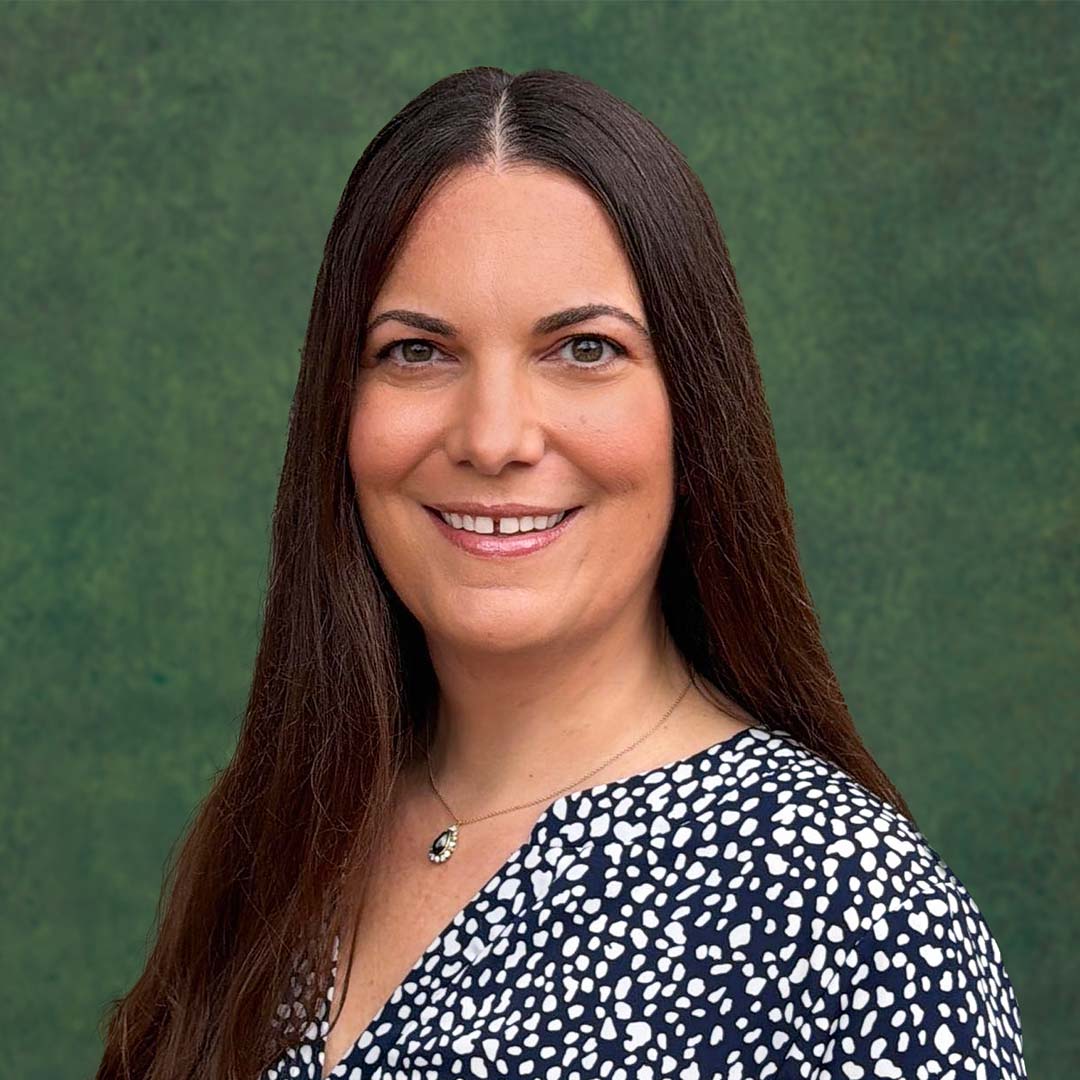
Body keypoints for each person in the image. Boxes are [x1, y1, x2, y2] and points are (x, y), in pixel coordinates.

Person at [96, 67, 1027, 1080]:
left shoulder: (860, 927)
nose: (494, 438)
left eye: (584, 349)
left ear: (695, 410)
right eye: (416, 352)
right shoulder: (278, 834)